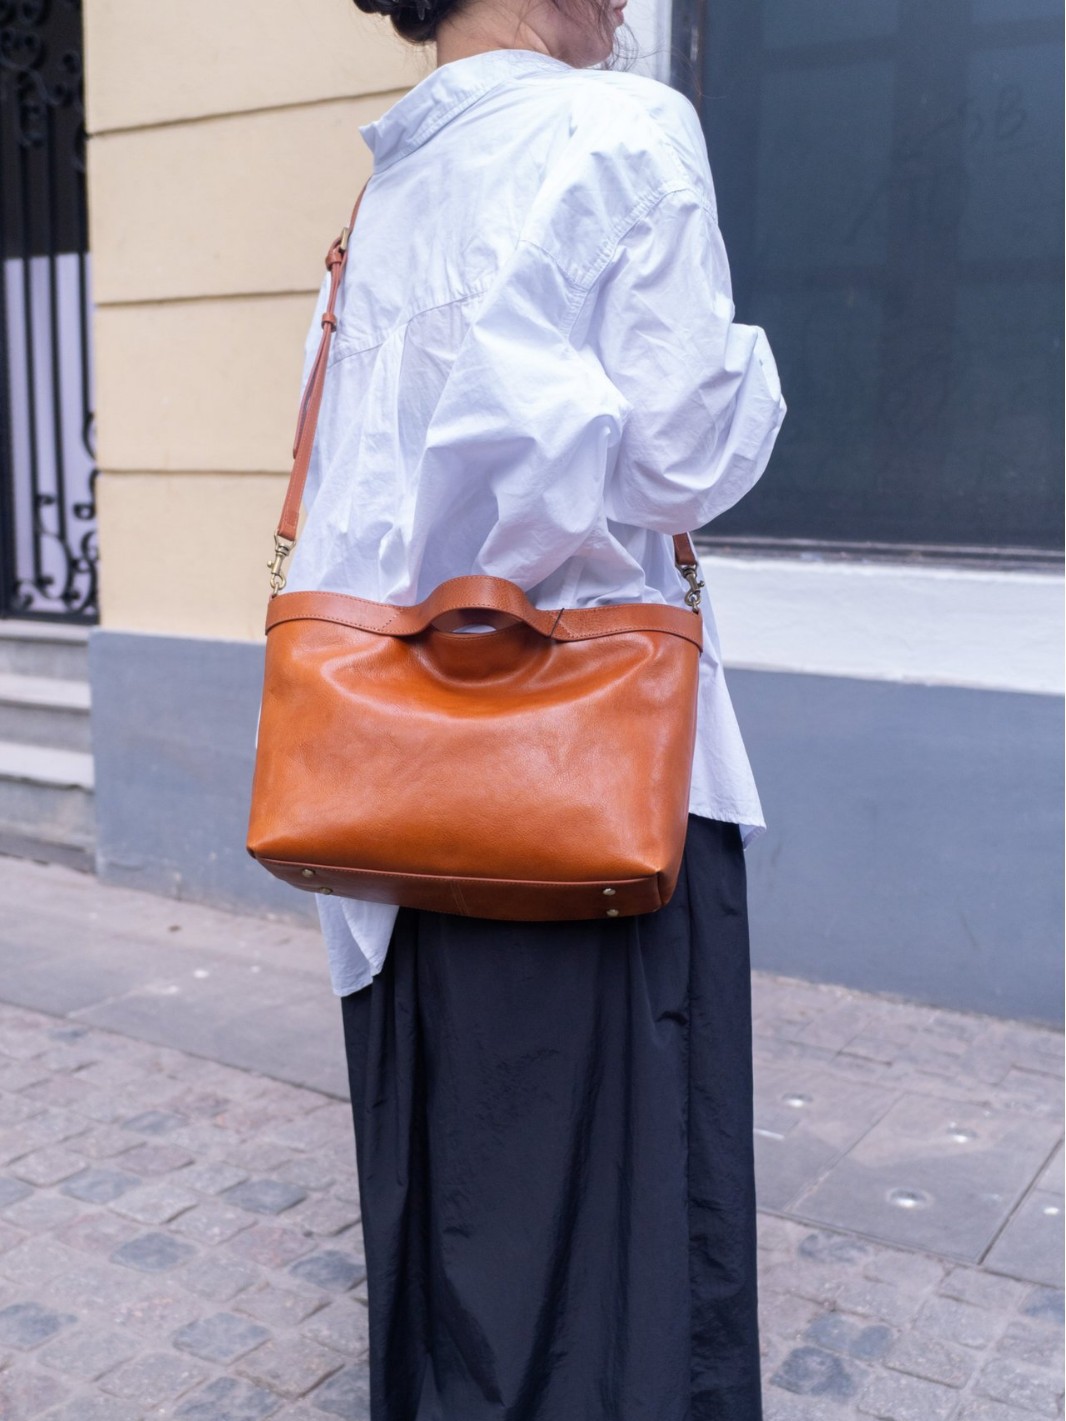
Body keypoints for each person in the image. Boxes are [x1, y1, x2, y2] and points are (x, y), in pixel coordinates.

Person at [282, 0, 787, 1412]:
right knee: (626, 1255)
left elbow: (348, 511)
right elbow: (684, 450)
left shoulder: (375, 204)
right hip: (589, 789)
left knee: (449, 1214)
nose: (625, 3)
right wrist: (757, 367)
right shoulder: (623, 126)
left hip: (388, 810)